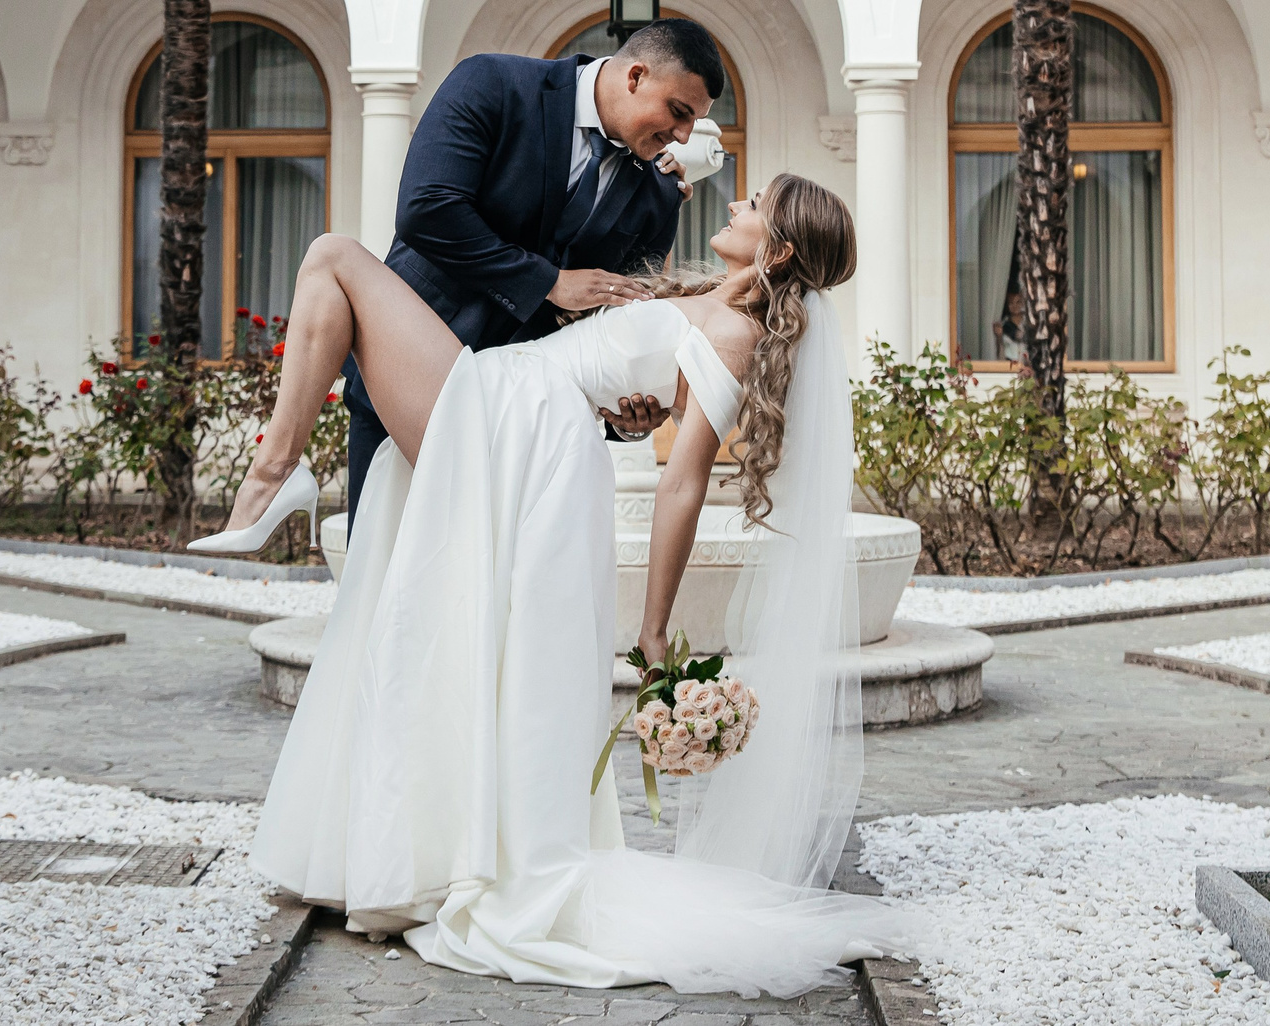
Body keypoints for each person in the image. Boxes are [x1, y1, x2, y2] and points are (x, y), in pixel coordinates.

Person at [214, 173, 909, 997]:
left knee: (334, 258)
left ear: (781, 249)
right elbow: (624, 391)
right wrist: (625, 412)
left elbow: (684, 483)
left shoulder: (734, 334)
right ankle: (403, 853)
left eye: (754, 205)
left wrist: (653, 629)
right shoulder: (709, 303)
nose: (735, 204)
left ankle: (274, 473)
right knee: (432, 639)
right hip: (522, 412)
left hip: (518, 425)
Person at [347, 18, 731, 515]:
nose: (682, 135)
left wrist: (628, 415)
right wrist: (549, 283)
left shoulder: (660, 194)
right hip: (400, 376)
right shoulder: (493, 83)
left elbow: (621, 320)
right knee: (378, 554)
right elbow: (427, 209)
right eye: (678, 112)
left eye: (693, 122)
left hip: (522, 425)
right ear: (635, 76)